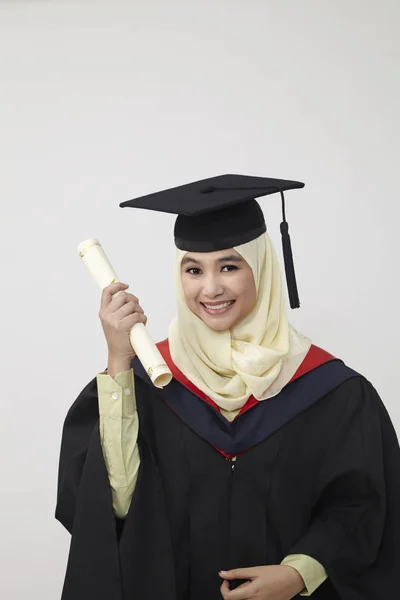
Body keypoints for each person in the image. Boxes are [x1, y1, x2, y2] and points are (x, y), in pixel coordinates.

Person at [56, 174, 400, 600]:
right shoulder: (147, 381)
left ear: (262, 269)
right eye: (194, 269)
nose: (211, 288)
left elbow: (365, 506)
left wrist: (299, 573)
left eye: (230, 266)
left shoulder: (332, 390)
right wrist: (118, 362)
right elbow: (114, 506)